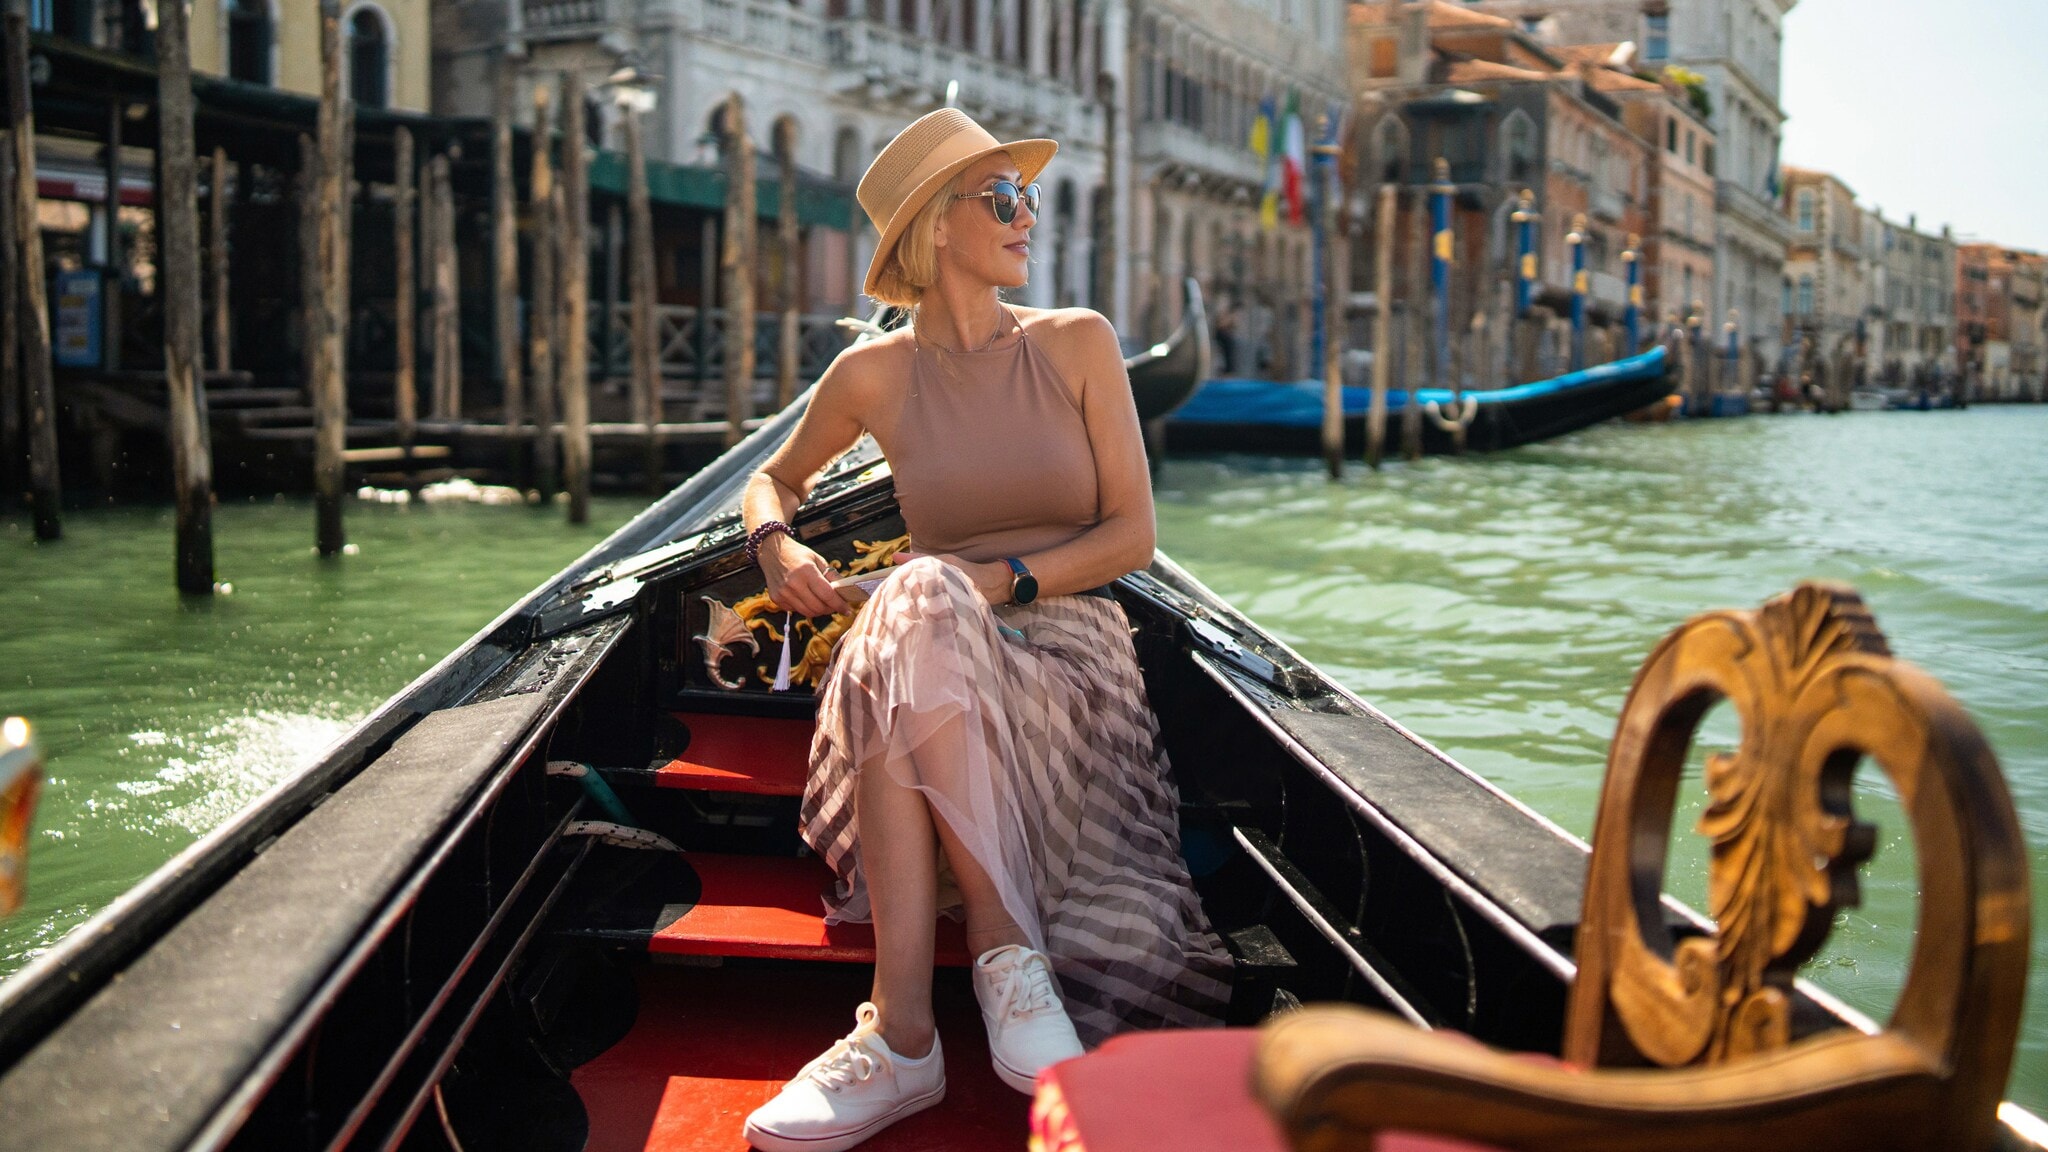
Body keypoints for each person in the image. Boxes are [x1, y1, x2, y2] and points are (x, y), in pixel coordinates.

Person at [737, 109, 1231, 1152]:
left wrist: (991, 580)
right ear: (933, 227)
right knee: (917, 602)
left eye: (1027, 199)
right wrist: (776, 548)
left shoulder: (1078, 342)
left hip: (1067, 648)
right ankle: (954, 1005)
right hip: (933, 645)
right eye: (1001, 200)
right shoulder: (869, 377)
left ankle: (921, 1022)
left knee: (921, 595)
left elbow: (1132, 539)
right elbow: (770, 477)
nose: (1026, 219)